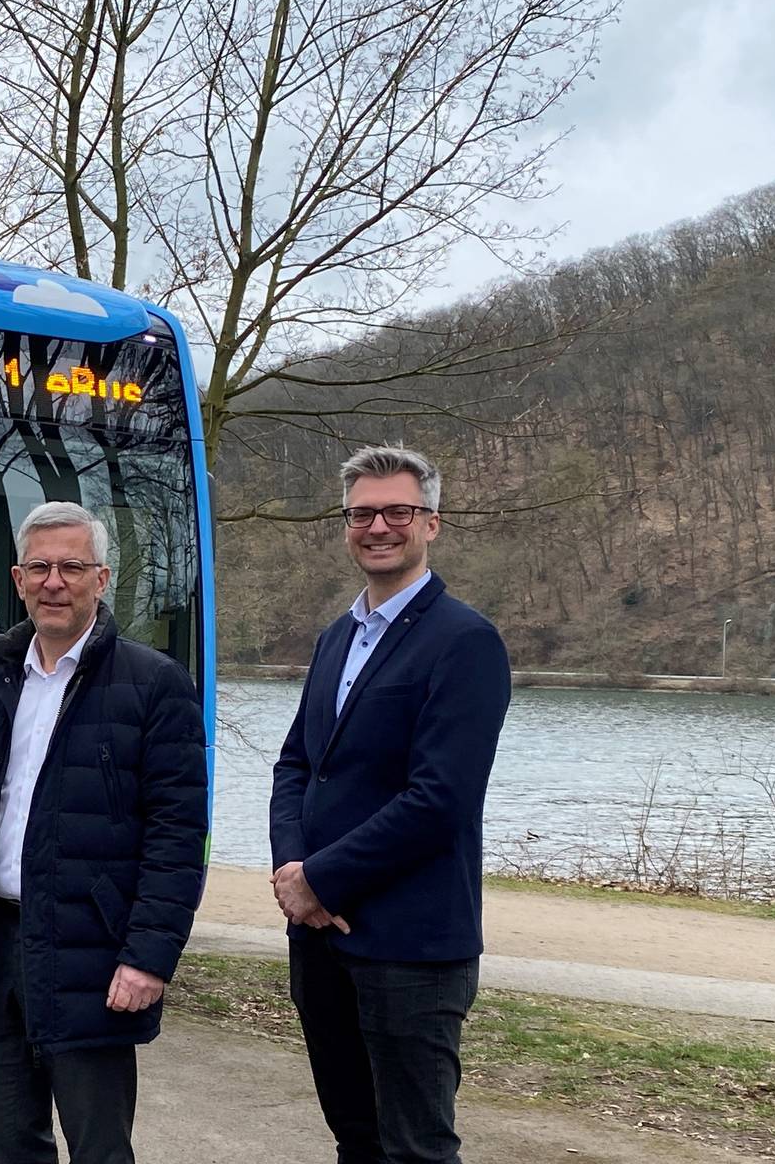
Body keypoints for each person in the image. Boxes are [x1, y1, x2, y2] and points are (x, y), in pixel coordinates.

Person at [0, 501, 207, 1164]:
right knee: (9, 1141)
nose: (54, 581)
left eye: (72, 567)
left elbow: (176, 839)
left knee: (98, 1147)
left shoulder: (155, 685)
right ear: (17, 578)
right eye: (39, 567)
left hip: (90, 948)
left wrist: (149, 956)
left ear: (102, 579)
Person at [268, 445, 510, 1164]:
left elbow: (440, 801)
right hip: (320, 941)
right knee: (357, 1138)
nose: (378, 527)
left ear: (430, 523)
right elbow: (296, 766)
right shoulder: (336, 637)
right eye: (362, 513)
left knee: (416, 1149)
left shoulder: (465, 642)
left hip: (411, 948)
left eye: (397, 512)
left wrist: (322, 880)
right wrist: (291, 872)